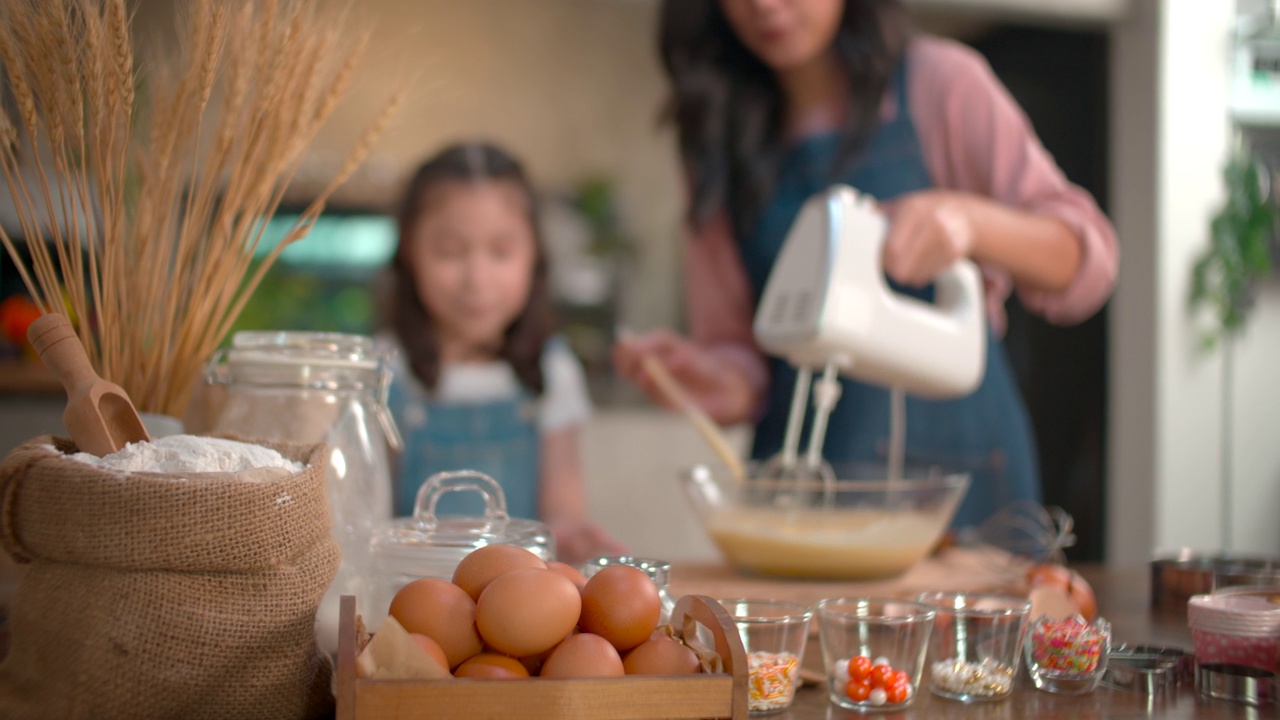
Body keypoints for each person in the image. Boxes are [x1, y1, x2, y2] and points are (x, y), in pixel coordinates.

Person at [613, 0, 1118, 529]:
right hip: (804, 484)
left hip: (962, 474)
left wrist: (969, 222)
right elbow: (742, 352)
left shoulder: (939, 82)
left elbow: (1087, 262)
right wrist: (707, 378)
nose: (762, 5)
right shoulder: (714, 140)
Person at [385, 141, 625, 563]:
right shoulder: (386, 369)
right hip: (407, 599)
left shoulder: (551, 369)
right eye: (450, 252)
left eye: (501, 252)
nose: (476, 279)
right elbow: (370, 514)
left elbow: (562, 511)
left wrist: (569, 538)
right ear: (409, 251)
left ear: (534, 255)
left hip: (517, 601)